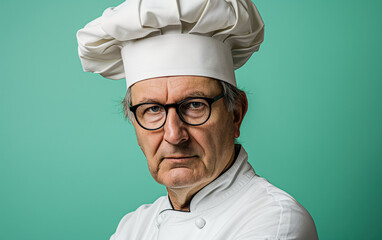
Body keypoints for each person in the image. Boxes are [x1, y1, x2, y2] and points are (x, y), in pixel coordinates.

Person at [77, 0, 318, 239]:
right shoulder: (133, 227)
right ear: (134, 122)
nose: (173, 135)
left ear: (236, 114)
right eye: (152, 109)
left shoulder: (275, 222)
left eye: (194, 105)